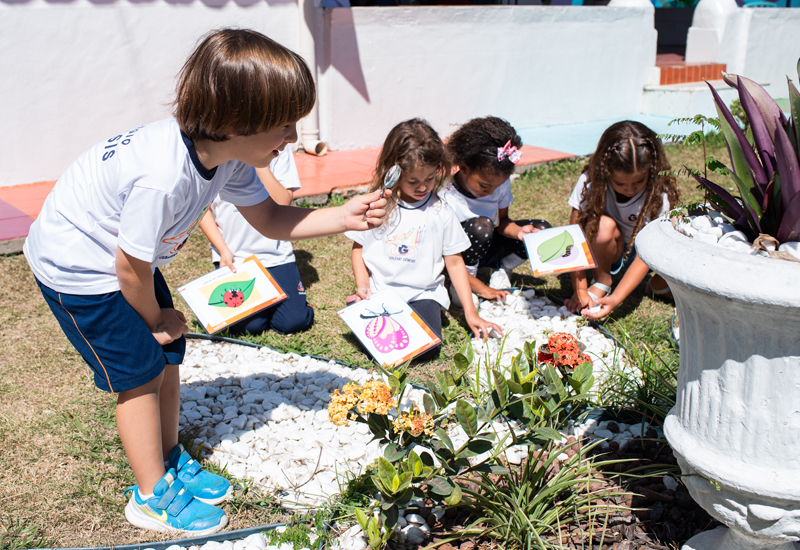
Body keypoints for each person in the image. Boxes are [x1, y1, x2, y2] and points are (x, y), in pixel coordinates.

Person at [23, 29, 388, 536]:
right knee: (138, 377)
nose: (292, 139)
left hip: (126, 267)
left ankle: (169, 458)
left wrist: (342, 216)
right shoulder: (164, 175)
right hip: (83, 271)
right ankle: (151, 496)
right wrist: (155, 317)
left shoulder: (227, 154)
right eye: (284, 126)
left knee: (168, 359)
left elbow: (269, 219)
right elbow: (129, 270)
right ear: (237, 122)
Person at [346, 119, 502, 359]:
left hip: (423, 294)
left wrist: (470, 312)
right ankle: (364, 308)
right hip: (381, 292)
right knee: (378, 346)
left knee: (427, 349)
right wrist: (363, 286)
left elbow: (455, 262)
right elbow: (359, 248)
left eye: (429, 178)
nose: (422, 187)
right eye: (413, 181)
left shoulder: (441, 211)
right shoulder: (377, 205)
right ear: (394, 171)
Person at [564, 120, 680, 319]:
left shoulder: (659, 194)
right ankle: (602, 281)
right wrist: (580, 288)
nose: (629, 189)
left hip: (644, 253)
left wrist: (617, 299)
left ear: (651, 171)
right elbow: (574, 236)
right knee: (602, 225)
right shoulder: (589, 181)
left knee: (679, 255)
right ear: (605, 170)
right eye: (619, 183)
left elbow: (648, 252)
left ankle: (656, 285)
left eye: (639, 182)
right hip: (607, 249)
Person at [200, 147, 314, 336]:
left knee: (294, 322)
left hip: (276, 255)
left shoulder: (280, 148)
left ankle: (295, 301)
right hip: (234, 256)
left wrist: (256, 159)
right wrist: (222, 249)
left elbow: (282, 200)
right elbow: (202, 208)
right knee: (248, 327)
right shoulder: (217, 148)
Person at [439, 116, 551, 303]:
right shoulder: (446, 197)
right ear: (464, 168)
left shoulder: (498, 182)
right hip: (457, 257)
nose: (491, 191)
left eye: (496, 186)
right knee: (481, 226)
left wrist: (520, 233)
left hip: (488, 245)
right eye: (484, 186)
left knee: (541, 229)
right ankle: (461, 285)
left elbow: (502, 222)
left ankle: (501, 268)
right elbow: (446, 253)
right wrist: (480, 288)